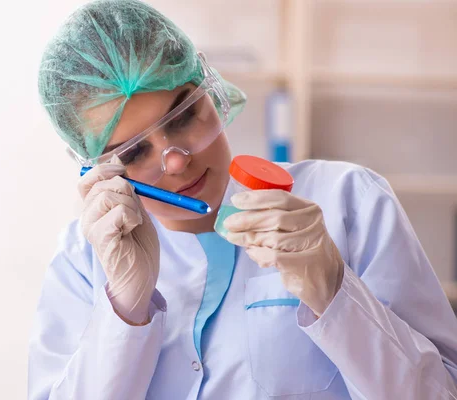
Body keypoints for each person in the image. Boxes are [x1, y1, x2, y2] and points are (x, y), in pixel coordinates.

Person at [28, 1, 457, 399]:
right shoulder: (82, 259)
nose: (176, 163)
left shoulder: (349, 200)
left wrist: (334, 291)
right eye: (134, 152)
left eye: (182, 117)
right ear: (97, 171)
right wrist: (124, 307)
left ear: (212, 93)